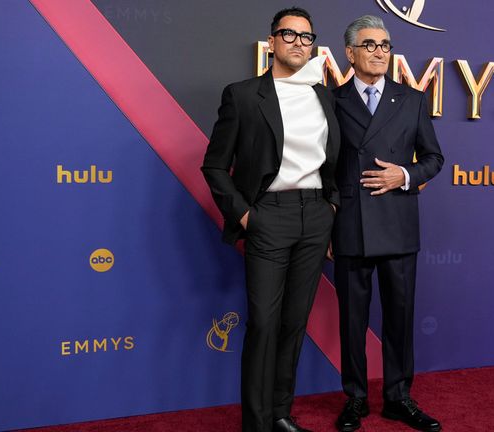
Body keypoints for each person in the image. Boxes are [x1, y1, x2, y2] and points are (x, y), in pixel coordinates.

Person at [201, 7, 339, 432]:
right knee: (263, 323)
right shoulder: (243, 95)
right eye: (289, 34)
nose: (299, 43)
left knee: (295, 322)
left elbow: (335, 159)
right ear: (273, 41)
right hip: (268, 217)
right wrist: (244, 214)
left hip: (315, 217)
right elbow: (214, 166)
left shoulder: (324, 94)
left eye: (307, 37)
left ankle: (281, 414)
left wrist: (331, 206)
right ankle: (256, 424)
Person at [331, 15, 444, 432]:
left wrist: (405, 175)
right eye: (370, 45)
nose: (380, 51)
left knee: (399, 317)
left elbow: (434, 158)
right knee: (352, 321)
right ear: (350, 53)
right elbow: (325, 167)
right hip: (350, 226)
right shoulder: (332, 100)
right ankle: (355, 399)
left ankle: (398, 397)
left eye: (385, 44)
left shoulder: (411, 99)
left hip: (397, 223)